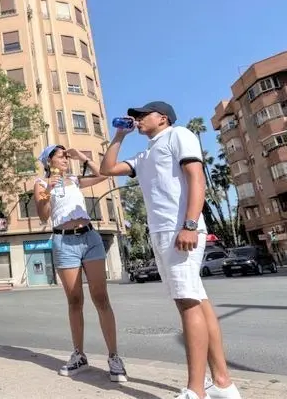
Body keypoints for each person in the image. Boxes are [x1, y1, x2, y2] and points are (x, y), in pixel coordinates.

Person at [99, 101, 241, 399]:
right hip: (162, 232)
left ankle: (196, 390)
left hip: (181, 230)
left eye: (141, 115)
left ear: (162, 118)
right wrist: (119, 136)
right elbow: (107, 168)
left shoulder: (179, 135)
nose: (136, 120)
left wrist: (189, 224)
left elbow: (196, 179)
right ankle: (223, 384)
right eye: (134, 117)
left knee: (187, 304)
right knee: (196, 301)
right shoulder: (145, 152)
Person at [33, 144, 128, 383]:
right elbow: (43, 214)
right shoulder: (42, 183)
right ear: (49, 161)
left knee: (101, 297)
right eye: (60, 156)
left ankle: (114, 357)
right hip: (64, 243)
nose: (65, 159)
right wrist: (48, 191)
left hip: (90, 238)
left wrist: (83, 156)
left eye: (66, 155)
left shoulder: (75, 180)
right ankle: (79, 355)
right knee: (75, 300)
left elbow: (103, 175)